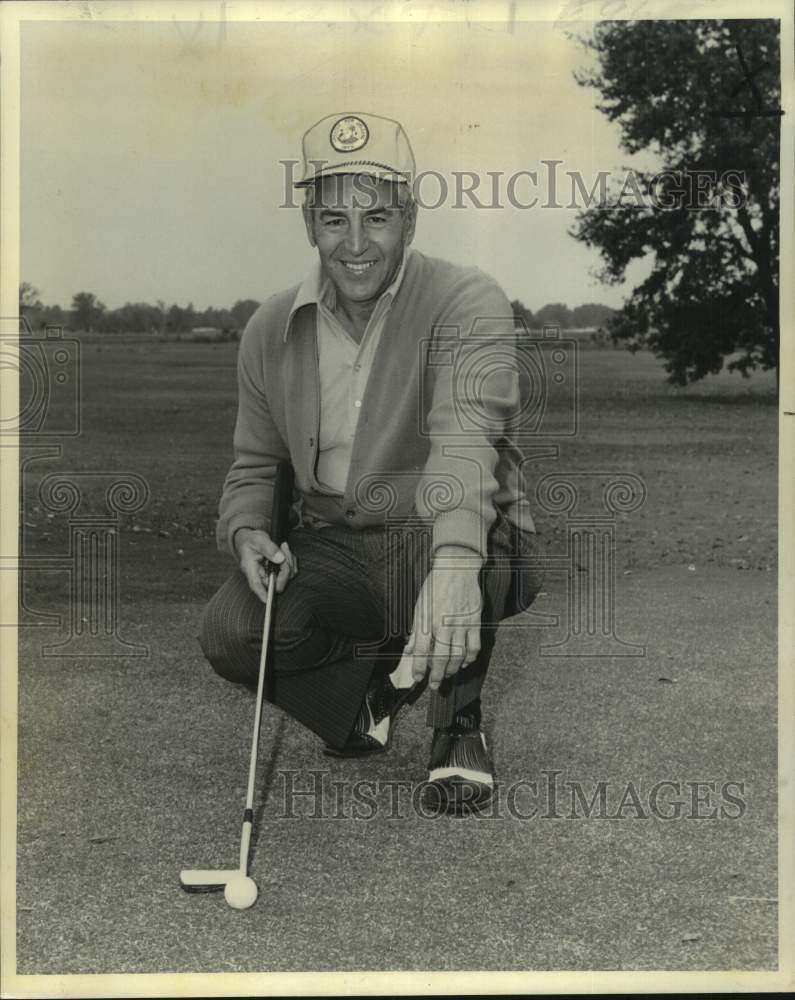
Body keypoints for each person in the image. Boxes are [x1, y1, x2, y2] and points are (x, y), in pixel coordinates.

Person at [200, 112, 543, 814]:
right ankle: (369, 700)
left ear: (409, 220)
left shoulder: (464, 299)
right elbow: (256, 464)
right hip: (336, 545)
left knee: (454, 554)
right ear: (308, 225)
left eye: (377, 217)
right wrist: (246, 533)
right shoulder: (270, 327)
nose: (355, 244)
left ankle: (456, 729)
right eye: (333, 220)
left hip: (450, 532)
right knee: (231, 633)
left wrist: (452, 568)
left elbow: (464, 441)